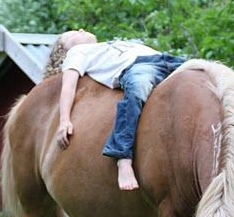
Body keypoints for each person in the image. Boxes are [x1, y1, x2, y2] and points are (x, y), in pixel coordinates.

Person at [56, 29, 185, 190]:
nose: (81, 30)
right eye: (72, 33)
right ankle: (123, 158)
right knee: (137, 91)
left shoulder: (108, 45)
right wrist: (64, 119)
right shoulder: (77, 52)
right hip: (137, 67)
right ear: (64, 49)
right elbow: (68, 86)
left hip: (167, 60)